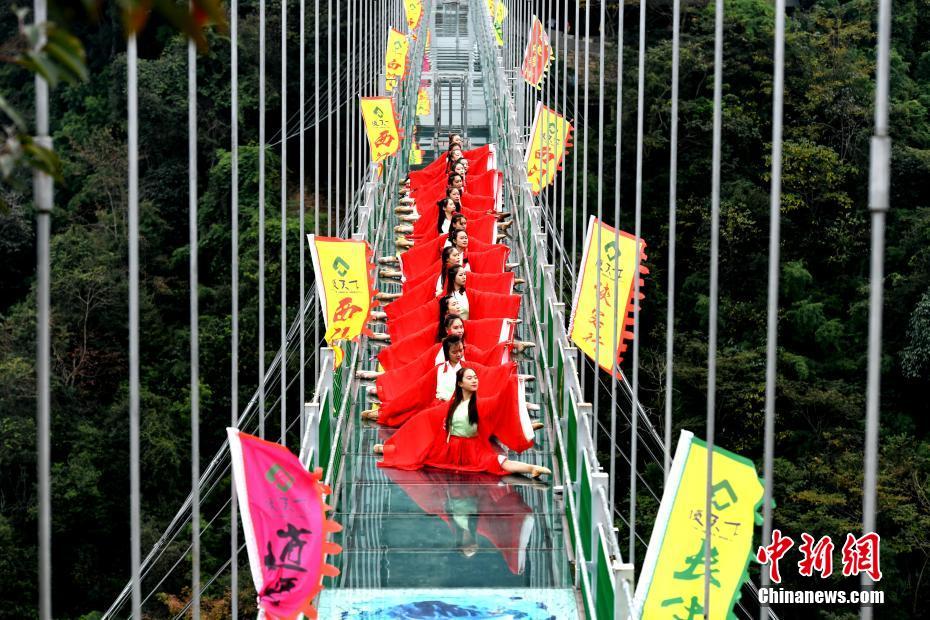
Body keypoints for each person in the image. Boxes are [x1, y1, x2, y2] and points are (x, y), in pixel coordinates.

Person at [374, 367, 550, 478]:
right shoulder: (450, 405)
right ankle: (389, 448)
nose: (474, 380)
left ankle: (531, 468)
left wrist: (512, 382)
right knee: (422, 452)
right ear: (460, 383)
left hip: (473, 450)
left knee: (496, 462)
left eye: (475, 377)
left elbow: (502, 400)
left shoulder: (482, 403)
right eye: (470, 378)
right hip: (449, 450)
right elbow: (422, 422)